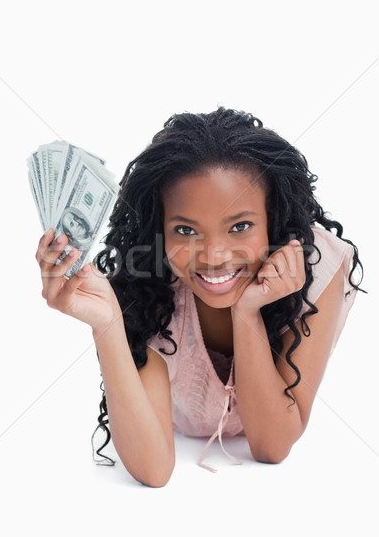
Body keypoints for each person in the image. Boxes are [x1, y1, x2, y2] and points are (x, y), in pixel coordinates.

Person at [36, 107, 364, 487]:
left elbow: (272, 446)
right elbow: (154, 470)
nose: (213, 256)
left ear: (271, 217)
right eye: (186, 230)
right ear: (159, 227)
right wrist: (107, 325)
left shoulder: (314, 267)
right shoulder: (148, 296)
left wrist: (247, 312)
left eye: (240, 226)